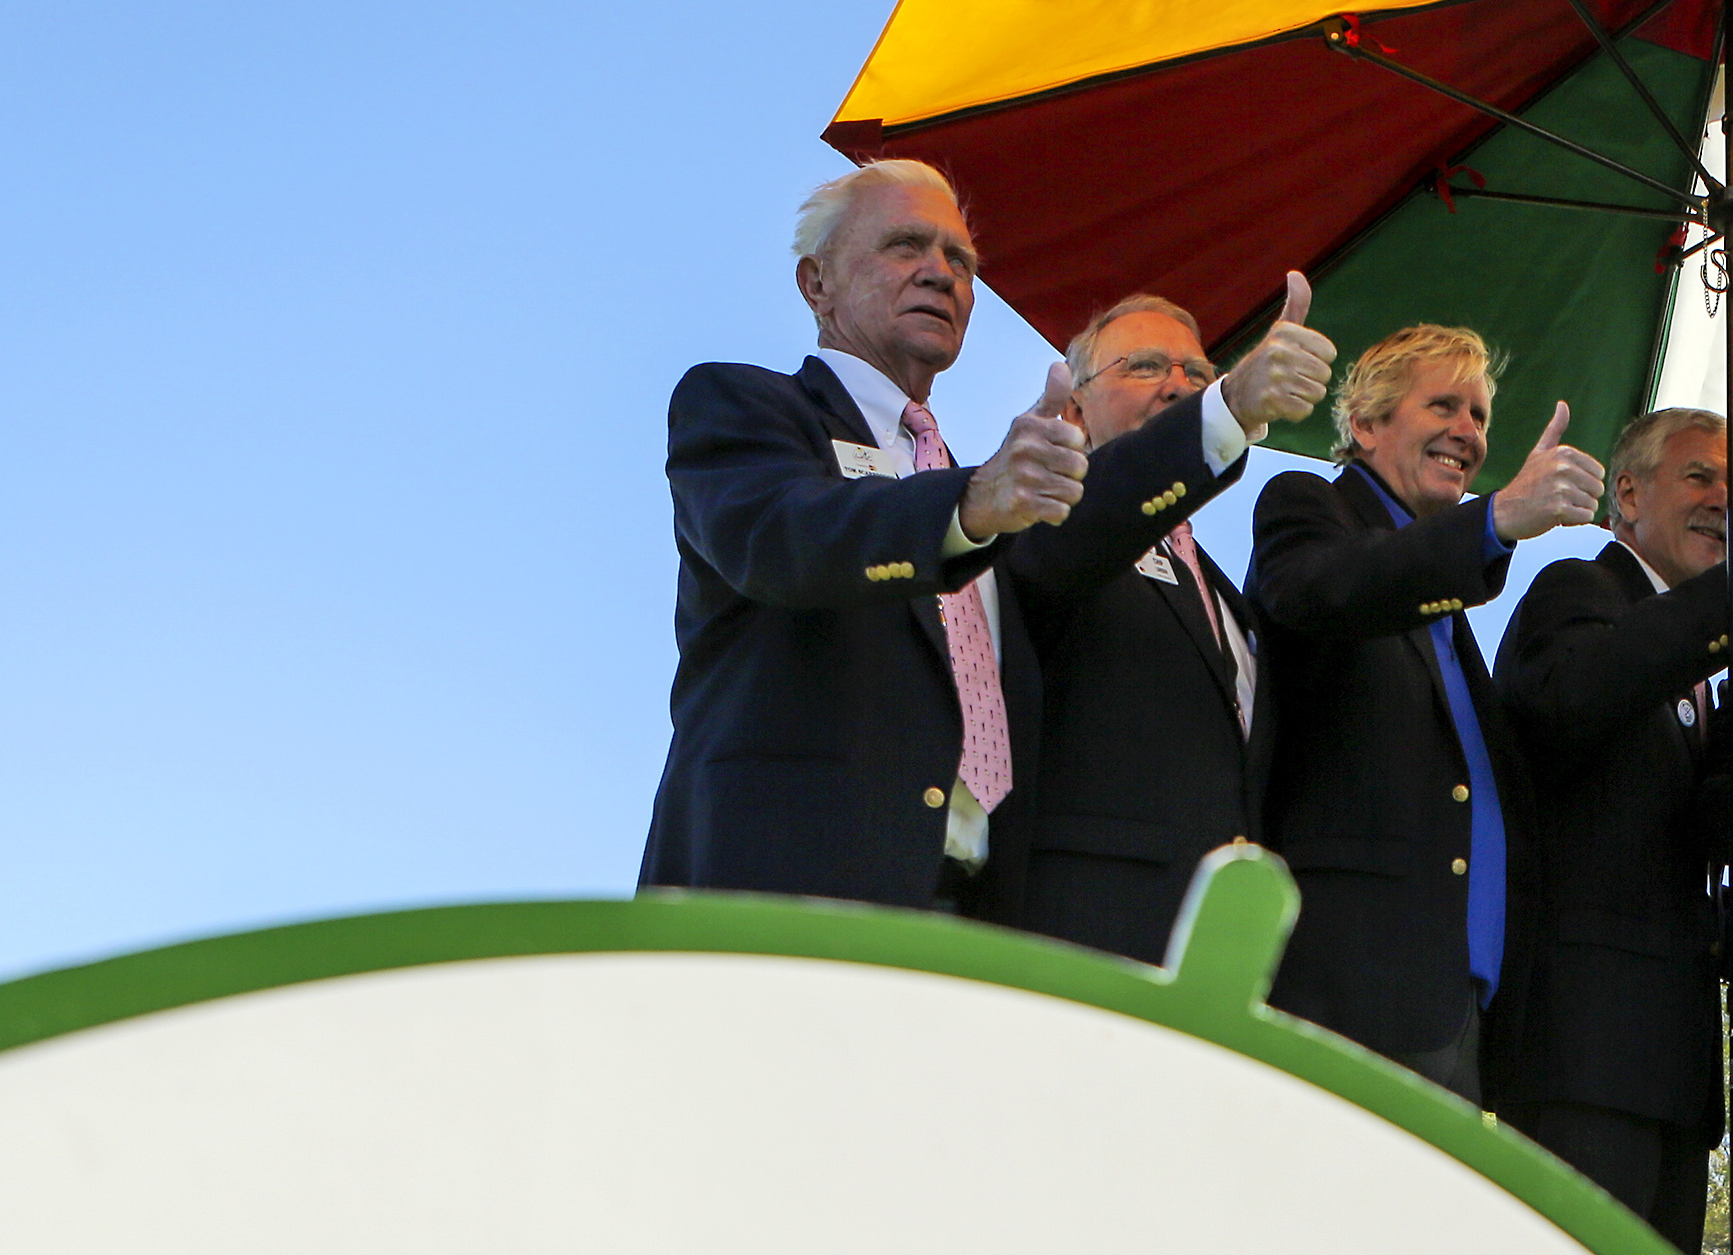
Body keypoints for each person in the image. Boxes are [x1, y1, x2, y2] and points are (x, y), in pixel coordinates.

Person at [642, 162, 1223, 915]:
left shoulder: (971, 487)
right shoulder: (746, 405)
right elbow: (781, 537)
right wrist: (975, 502)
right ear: (815, 283)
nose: (939, 274)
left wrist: (1225, 416)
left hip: (970, 916)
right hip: (781, 894)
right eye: (905, 246)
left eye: (961, 262)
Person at [1492, 408, 1733, 1249]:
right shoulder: (1577, 591)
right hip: (1582, 1060)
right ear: (1626, 496)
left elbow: (1709, 816)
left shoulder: (1692, 655)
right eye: (1699, 476)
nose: (1725, 499)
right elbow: (1578, 694)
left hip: (1671, 1070)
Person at [1245, 327, 1606, 1095]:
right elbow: (1321, 590)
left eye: (1477, 415)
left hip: (1462, 1013)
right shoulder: (1309, 506)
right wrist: (1494, 522)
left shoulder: (1449, 592)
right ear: (1367, 424)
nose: (1467, 432)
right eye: (1442, 404)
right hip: (1348, 992)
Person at [1001, 282, 1334, 963]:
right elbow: (1097, 516)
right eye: (1147, 366)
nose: (1179, 387)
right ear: (1075, 409)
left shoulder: (1215, 586)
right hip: (1082, 939)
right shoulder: (1039, 512)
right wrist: (1228, 407)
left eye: (1198, 374)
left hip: (1211, 955)